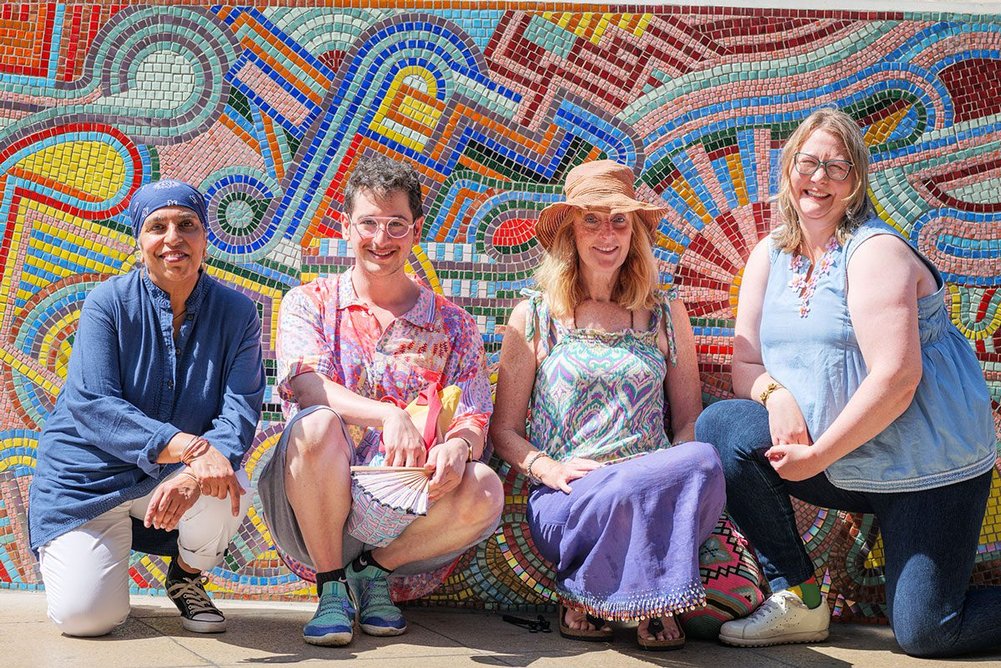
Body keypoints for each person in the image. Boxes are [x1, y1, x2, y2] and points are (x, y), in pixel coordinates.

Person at [695, 108, 1001, 657]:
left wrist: (814, 458)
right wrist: (776, 394)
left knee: (929, 632)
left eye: (837, 168)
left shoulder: (875, 252)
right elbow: (745, 364)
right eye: (808, 163)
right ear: (789, 170)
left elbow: (897, 378)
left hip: (924, 469)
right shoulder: (770, 255)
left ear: (856, 181)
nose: (819, 178)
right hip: (841, 461)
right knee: (723, 424)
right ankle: (798, 597)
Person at [258, 154, 504, 647]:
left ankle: (371, 573)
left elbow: (475, 410)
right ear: (346, 227)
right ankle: (330, 587)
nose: (381, 239)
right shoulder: (310, 302)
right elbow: (306, 386)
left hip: (409, 512)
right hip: (312, 505)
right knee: (316, 424)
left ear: (415, 231)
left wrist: (460, 445)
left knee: (486, 489)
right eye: (369, 223)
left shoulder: (452, 323)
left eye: (396, 225)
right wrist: (388, 415)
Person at [490, 160, 726, 650]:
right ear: (569, 234)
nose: (607, 234)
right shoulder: (534, 315)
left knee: (702, 459)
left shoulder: (665, 311)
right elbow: (504, 430)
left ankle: (588, 595)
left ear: (635, 232)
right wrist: (546, 469)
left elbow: (687, 422)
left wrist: (656, 474)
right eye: (591, 220)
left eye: (620, 220)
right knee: (618, 492)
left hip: (655, 492)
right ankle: (657, 603)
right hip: (572, 500)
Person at [29, 180, 266, 637]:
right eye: (158, 226)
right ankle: (78, 559)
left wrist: (197, 470)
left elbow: (240, 412)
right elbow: (93, 404)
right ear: (140, 241)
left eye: (187, 225)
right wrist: (190, 449)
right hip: (87, 483)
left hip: (171, 477)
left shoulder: (237, 313)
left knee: (229, 485)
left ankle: (187, 576)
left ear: (204, 238)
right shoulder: (108, 304)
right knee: (87, 619)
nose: (173, 238)